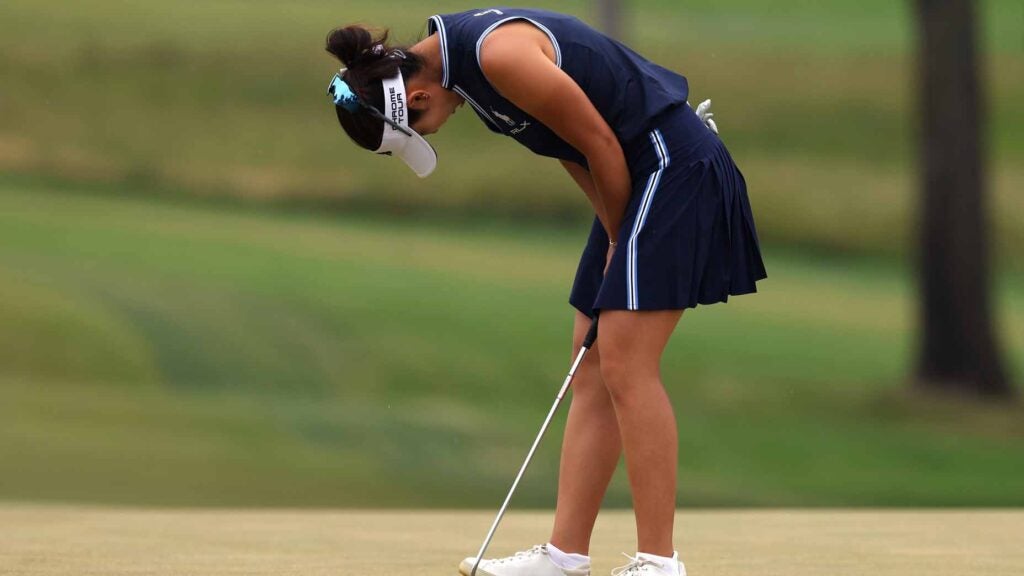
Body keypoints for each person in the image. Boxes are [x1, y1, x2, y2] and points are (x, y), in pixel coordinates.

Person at [324, 7, 767, 576]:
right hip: (635, 178)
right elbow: (570, 150)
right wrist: (613, 233)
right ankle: (564, 557)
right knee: (591, 362)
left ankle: (659, 561)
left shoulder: (495, 57)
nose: (436, 132)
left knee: (628, 362)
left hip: (672, 166)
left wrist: (616, 237)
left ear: (417, 101)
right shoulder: (463, 73)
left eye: (422, 133)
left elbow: (600, 141)